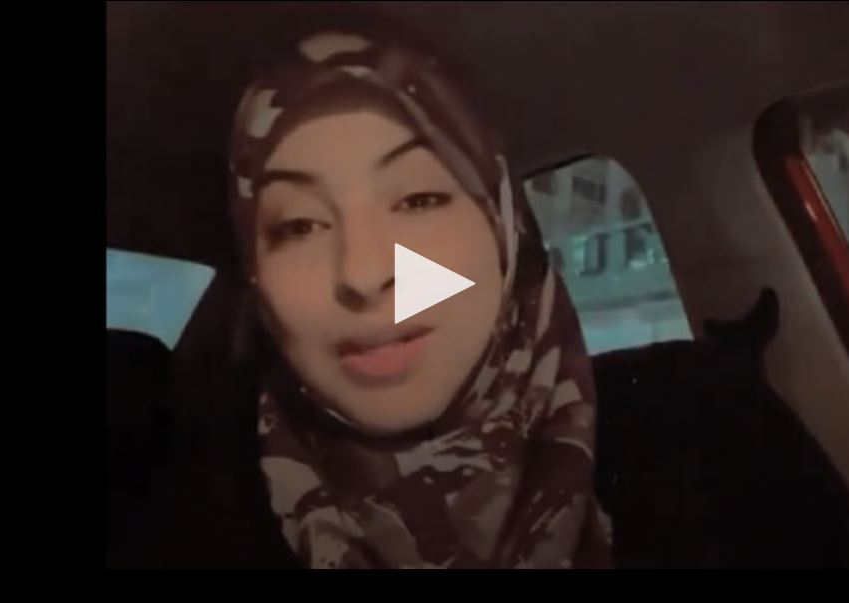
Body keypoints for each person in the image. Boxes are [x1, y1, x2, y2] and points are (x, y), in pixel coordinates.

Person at [224, 25, 612, 569]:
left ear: (506, 229)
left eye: (418, 199)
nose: (363, 274)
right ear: (256, 280)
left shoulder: (699, 463)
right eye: (300, 226)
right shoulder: (179, 531)